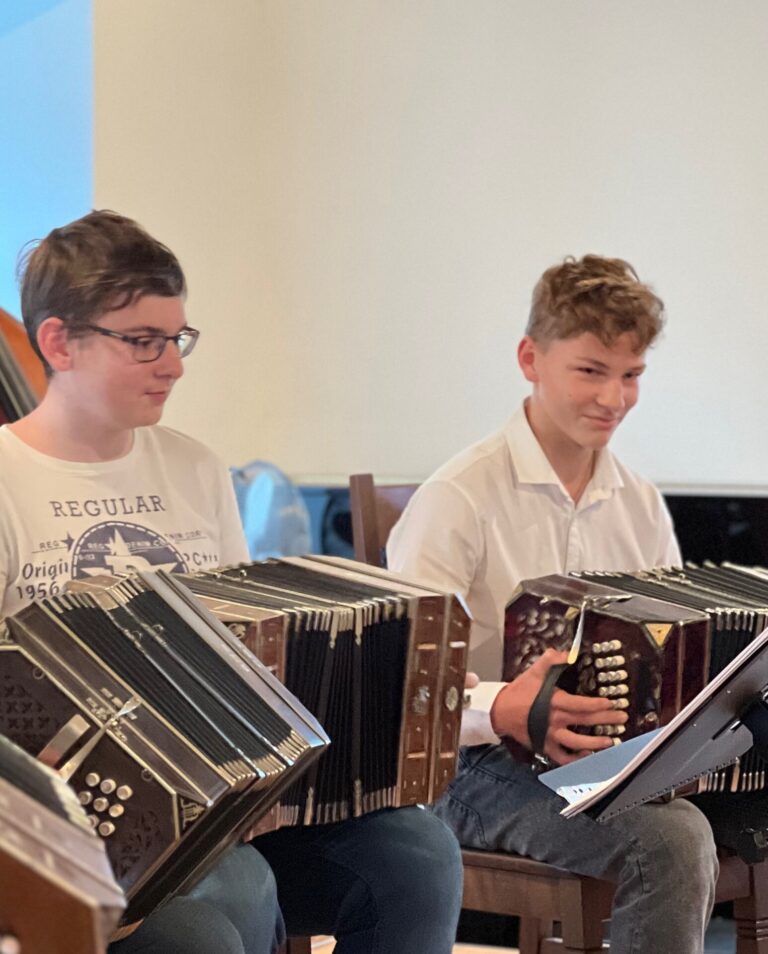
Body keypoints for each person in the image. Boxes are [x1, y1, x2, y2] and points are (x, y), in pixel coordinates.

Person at [0, 210, 463, 954]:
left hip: (225, 805)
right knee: (230, 899)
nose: (173, 365)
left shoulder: (194, 468)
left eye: (177, 338)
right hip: (78, 830)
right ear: (59, 342)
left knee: (419, 854)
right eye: (143, 341)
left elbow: (242, 654)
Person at [387, 255, 719, 954]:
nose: (614, 398)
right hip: (468, 761)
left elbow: (673, 652)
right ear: (530, 359)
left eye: (631, 375)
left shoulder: (640, 502)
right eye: (591, 371)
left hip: (596, 757)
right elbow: (404, 683)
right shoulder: (459, 496)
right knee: (669, 839)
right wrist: (501, 708)